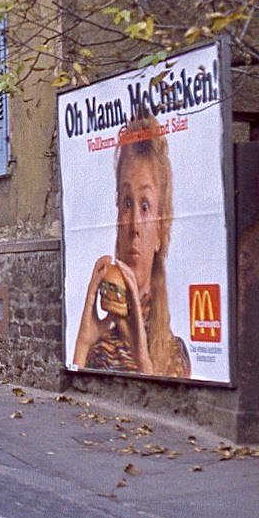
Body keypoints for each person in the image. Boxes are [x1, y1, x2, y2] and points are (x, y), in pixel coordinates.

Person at [73, 115, 190, 378]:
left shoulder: (174, 353)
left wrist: (140, 354)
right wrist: (82, 343)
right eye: (127, 203)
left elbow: (161, 403)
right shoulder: (98, 347)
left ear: (160, 230)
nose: (134, 225)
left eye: (145, 206)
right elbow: (72, 398)